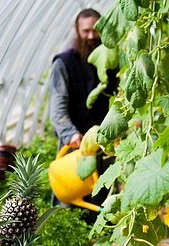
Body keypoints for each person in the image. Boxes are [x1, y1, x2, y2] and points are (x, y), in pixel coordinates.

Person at [49, 8, 118, 150]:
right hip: (76, 143)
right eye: (86, 31)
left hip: (108, 142)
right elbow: (58, 108)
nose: (91, 36)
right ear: (76, 30)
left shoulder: (112, 61)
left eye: (96, 30)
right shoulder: (63, 63)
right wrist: (70, 134)